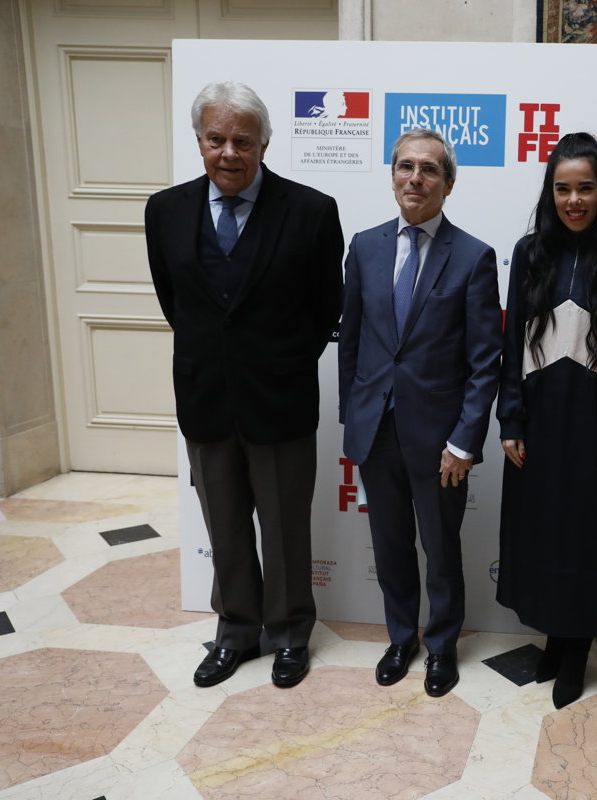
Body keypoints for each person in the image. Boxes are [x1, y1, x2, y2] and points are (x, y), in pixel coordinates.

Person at [145, 81, 343, 689]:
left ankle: (289, 634)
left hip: (281, 402)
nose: (229, 152)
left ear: (264, 144)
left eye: (242, 141)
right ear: (199, 141)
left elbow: (325, 309)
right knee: (224, 527)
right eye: (216, 139)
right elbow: (176, 302)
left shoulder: (311, 211)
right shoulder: (165, 211)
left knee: (284, 530)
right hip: (204, 399)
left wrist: (276, 362)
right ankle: (235, 631)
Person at [338, 128, 501, 698]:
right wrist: (353, 418)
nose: (415, 178)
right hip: (376, 430)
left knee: (440, 547)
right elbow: (351, 343)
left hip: (440, 442)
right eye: (405, 166)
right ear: (392, 177)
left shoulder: (474, 257)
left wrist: (464, 441)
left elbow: (485, 362)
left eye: (429, 169)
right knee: (389, 545)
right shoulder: (365, 247)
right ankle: (401, 637)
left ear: (447, 184)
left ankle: (443, 646)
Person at [496, 133, 597, 709]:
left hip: (594, 425)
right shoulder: (528, 252)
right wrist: (510, 419)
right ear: (550, 193)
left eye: (585, 188)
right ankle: (554, 638)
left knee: (587, 537)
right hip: (537, 424)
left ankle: (578, 646)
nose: (574, 200)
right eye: (563, 189)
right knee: (542, 533)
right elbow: (511, 345)